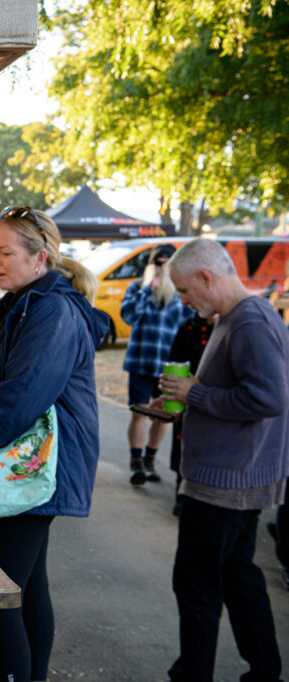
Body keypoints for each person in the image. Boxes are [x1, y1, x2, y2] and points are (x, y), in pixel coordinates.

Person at [0, 206, 108, 682]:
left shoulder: (53, 310)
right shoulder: (6, 306)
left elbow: (25, 392)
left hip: (35, 468)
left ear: (40, 259)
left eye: (6, 252)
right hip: (12, 464)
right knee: (26, 586)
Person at [153, 237, 288, 682]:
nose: (186, 302)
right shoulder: (242, 317)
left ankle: (192, 674)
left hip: (226, 482)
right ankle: (265, 671)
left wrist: (196, 393)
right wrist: (190, 398)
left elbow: (268, 397)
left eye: (187, 291)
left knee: (197, 586)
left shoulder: (248, 321)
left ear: (207, 277)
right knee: (239, 579)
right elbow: (242, 393)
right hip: (235, 477)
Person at [121, 244, 192, 485]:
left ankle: (150, 458)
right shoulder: (136, 288)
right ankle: (136, 461)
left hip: (167, 365)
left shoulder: (179, 294)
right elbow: (128, 316)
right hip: (141, 361)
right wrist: (146, 293)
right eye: (158, 263)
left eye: (166, 263)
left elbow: (187, 325)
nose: (162, 268)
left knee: (162, 415)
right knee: (140, 411)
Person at [166, 312, 216, 516]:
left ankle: (198, 493)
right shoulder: (187, 327)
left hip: (209, 399)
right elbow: (174, 360)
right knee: (181, 442)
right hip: (184, 397)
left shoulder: (223, 330)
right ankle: (181, 494)